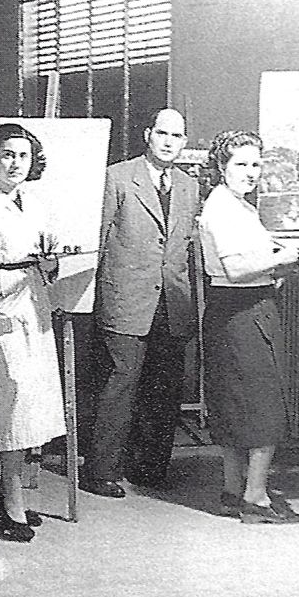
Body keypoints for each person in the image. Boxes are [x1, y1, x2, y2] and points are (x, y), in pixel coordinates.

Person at [80, 109, 198, 498]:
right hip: (125, 299)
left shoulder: (188, 185)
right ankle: (101, 471)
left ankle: (150, 468)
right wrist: (83, 297)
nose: (168, 141)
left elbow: (184, 250)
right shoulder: (117, 177)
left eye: (176, 135)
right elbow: (97, 239)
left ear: (183, 141)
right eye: (162, 133)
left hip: (172, 301)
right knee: (119, 385)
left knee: (164, 389)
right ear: (148, 135)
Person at [0, 123, 65, 542]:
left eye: (23, 156)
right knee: (10, 402)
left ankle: (8, 489)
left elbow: (47, 259)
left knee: (32, 404)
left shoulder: (35, 204)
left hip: (34, 307)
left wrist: (51, 261)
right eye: (7, 154)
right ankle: (12, 501)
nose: (15, 163)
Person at [198, 130, 299, 524]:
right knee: (261, 405)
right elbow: (236, 268)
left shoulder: (239, 206)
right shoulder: (222, 207)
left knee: (237, 404)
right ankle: (255, 498)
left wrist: (274, 267)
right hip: (241, 312)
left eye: (256, 164)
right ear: (222, 166)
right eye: (241, 163)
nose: (251, 171)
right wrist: (283, 258)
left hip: (240, 308)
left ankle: (231, 489)